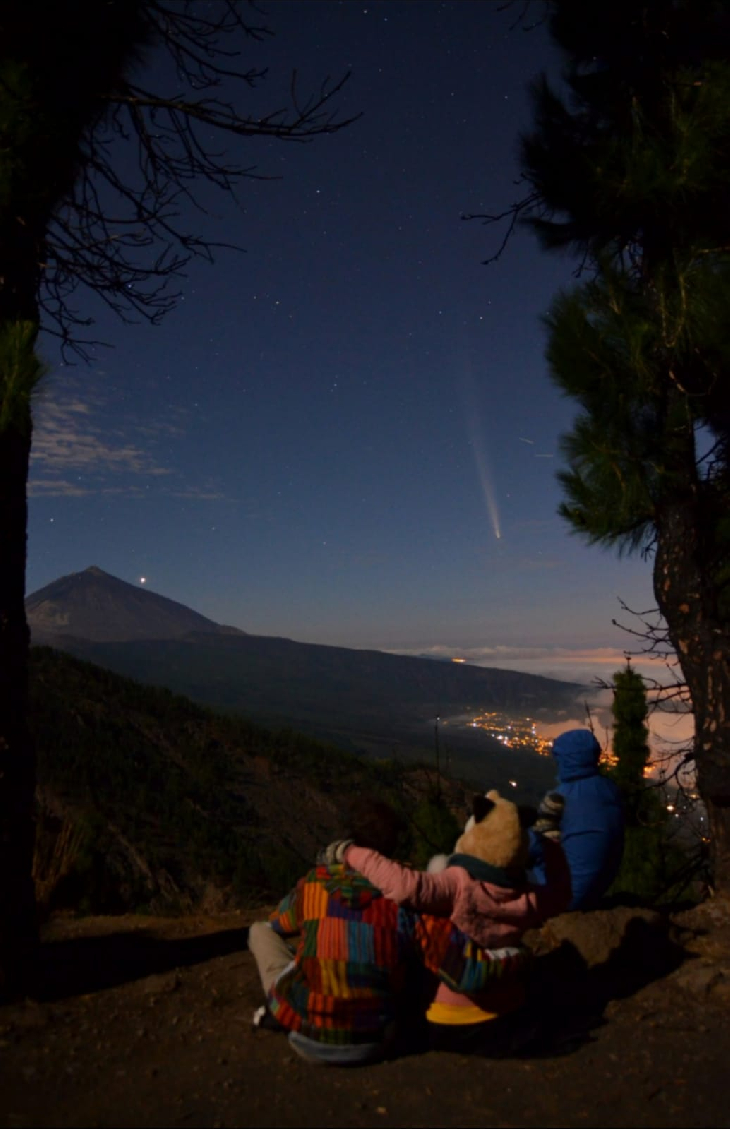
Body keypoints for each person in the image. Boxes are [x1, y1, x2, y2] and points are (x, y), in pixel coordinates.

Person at [248, 797, 529, 1064]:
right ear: (393, 845)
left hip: (304, 1036)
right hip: (375, 1041)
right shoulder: (407, 904)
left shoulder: (315, 883)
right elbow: (466, 971)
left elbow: (278, 923)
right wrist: (516, 956)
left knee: (260, 932)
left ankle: (280, 1008)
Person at [327, 789, 571, 1052]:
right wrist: (548, 841)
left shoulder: (458, 884)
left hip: (450, 1020)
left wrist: (351, 852)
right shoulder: (529, 898)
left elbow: (406, 886)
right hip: (509, 1012)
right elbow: (562, 892)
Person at [528, 728, 625, 909]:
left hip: (563, 894)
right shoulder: (611, 790)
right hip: (595, 891)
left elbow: (534, 845)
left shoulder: (561, 797)